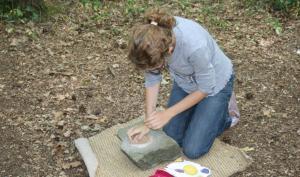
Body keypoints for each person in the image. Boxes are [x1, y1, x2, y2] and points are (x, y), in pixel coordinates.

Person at [127, 8, 240, 159]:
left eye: (156, 66)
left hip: (215, 85)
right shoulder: (151, 40)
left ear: (170, 50)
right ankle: (200, 111)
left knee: (192, 149)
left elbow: (206, 87)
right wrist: (148, 122)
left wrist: (168, 113)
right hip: (186, 82)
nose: (154, 70)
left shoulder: (195, 46)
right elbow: (152, 79)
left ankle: (224, 114)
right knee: (172, 138)